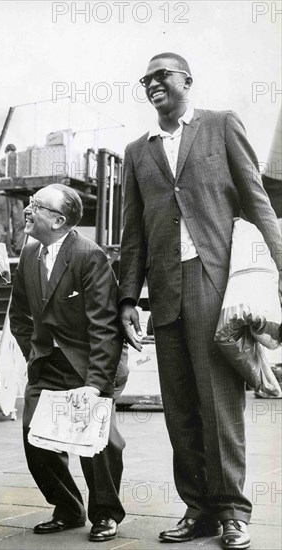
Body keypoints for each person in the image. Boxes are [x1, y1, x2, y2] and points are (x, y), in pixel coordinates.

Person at [119, 53, 282, 550]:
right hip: (164, 290)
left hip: (214, 281)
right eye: (146, 79)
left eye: (162, 75)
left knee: (219, 405)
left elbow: (257, 200)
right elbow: (133, 233)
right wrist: (129, 297)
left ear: (187, 80)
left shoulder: (221, 125)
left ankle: (232, 512)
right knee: (180, 410)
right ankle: (199, 509)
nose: (152, 84)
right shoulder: (136, 151)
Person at [9, 184, 128, 542]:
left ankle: (106, 514)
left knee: (99, 444)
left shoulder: (89, 255)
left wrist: (94, 384)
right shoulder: (29, 254)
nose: (27, 211)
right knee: (36, 438)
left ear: (59, 220)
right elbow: (19, 316)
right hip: (47, 363)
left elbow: (105, 328)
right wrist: (35, 351)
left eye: (36, 206)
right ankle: (68, 508)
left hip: (89, 363)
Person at [0, 143, 25, 257]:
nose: (12, 154)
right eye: (10, 152)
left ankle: (18, 248)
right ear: (6, 152)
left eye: (13, 152)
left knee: (19, 221)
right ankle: (4, 249)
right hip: (3, 193)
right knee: (4, 223)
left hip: (16, 193)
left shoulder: (19, 163)